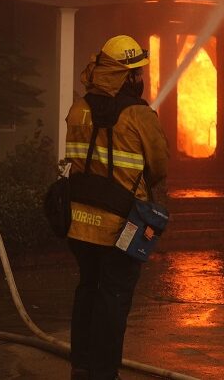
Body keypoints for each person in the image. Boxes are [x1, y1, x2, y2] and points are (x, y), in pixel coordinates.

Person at [64, 34, 169, 380]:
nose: (141, 78)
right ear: (126, 77)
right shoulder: (140, 115)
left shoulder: (78, 109)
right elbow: (158, 168)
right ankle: (104, 372)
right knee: (114, 295)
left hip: (78, 221)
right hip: (121, 225)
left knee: (88, 288)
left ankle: (81, 365)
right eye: (136, 72)